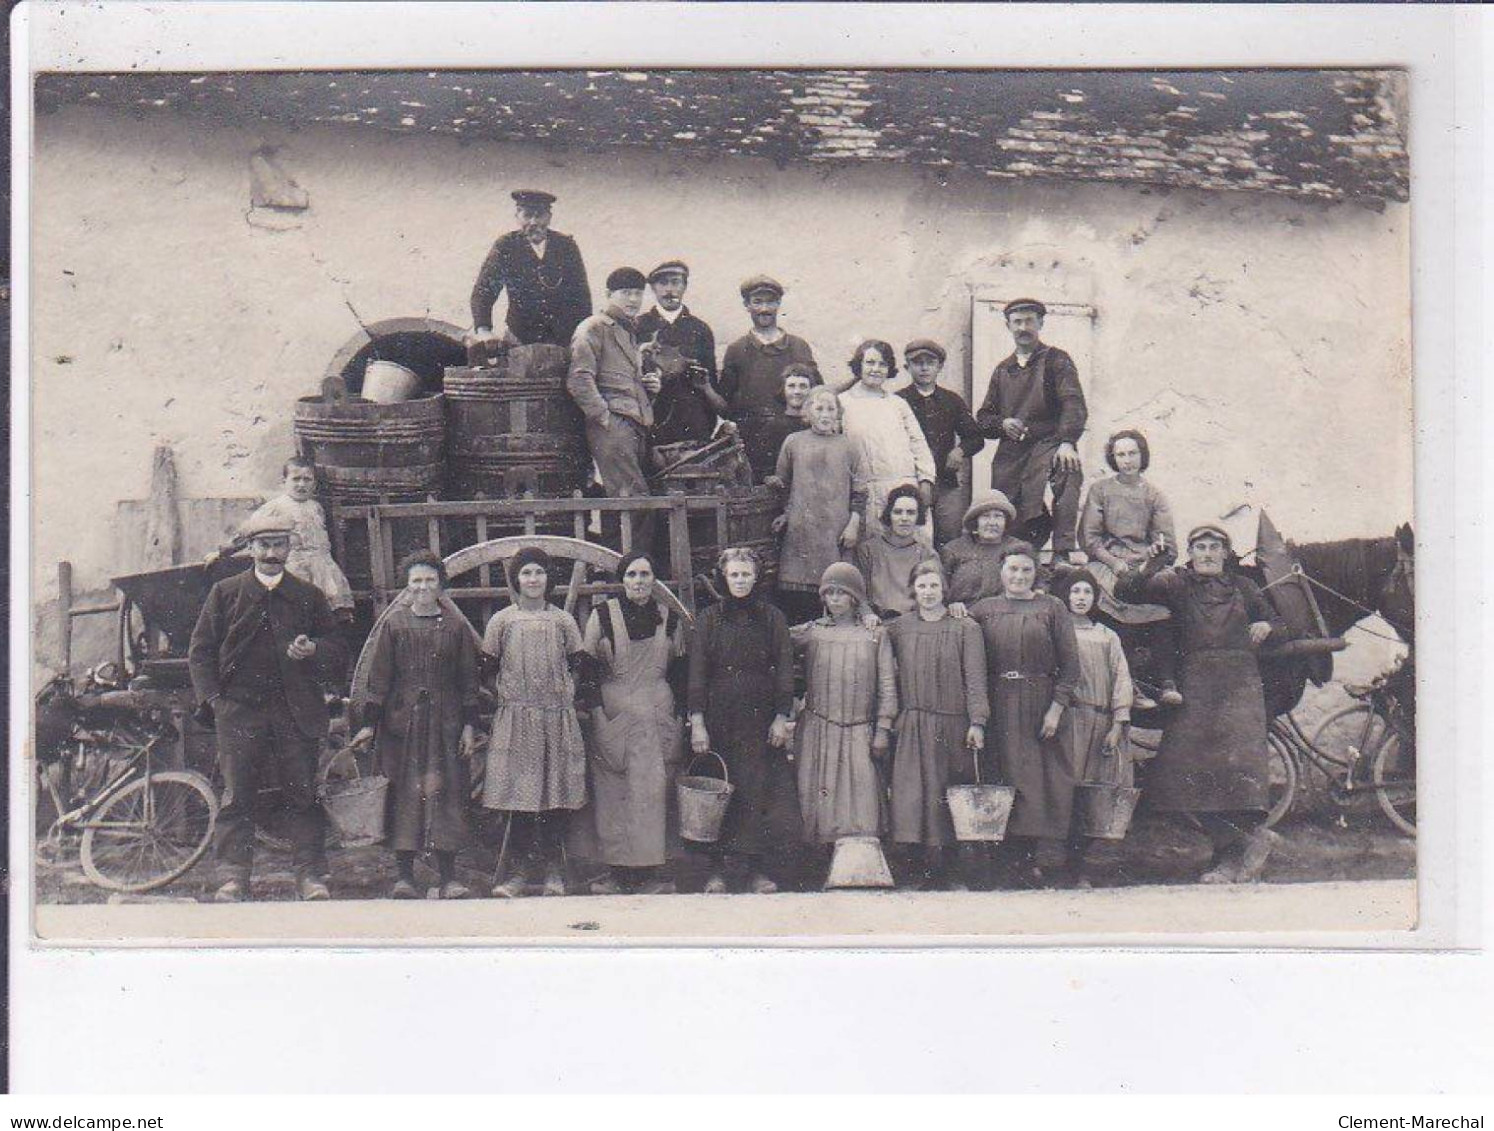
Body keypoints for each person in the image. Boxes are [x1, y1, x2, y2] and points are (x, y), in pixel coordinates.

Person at [187, 513, 347, 902]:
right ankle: (232, 877)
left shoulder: (308, 596)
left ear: (290, 548)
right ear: (251, 549)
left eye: (279, 545)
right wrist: (215, 700)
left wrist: (314, 651)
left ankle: (310, 876)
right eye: (264, 545)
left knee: (303, 794)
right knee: (238, 794)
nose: (272, 553)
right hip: (239, 711)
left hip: (295, 711)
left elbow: (337, 649)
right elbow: (200, 650)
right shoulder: (226, 593)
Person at [1116, 525, 1288, 884]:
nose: (1208, 554)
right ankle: (1246, 844)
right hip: (1195, 682)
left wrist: (1267, 626)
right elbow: (1128, 591)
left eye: (1215, 547)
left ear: (1226, 553)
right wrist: (1149, 564)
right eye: (1200, 547)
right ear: (1191, 553)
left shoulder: (1245, 587)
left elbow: (1279, 622)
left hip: (1239, 685)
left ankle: (1228, 858)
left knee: (1234, 778)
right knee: (1175, 777)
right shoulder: (1176, 584)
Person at [353, 551, 482, 900]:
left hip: (447, 723)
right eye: (416, 581)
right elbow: (378, 681)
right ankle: (405, 877)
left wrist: (470, 726)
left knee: (449, 794)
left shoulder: (455, 628)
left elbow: (469, 681)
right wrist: (368, 726)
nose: (423, 587)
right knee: (404, 794)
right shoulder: (393, 625)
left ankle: (448, 878)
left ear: (441, 585)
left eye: (429, 580)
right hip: (403, 724)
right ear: (406, 587)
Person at [571, 550, 688, 897]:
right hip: (615, 716)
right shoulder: (601, 616)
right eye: (632, 575)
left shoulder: (670, 618)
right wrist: (595, 715)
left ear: (654, 580)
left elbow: (680, 672)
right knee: (613, 793)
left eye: (645, 574)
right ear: (622, 580)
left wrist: (680, 716)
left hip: (657, 715)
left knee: (654, 793)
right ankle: (616, 873)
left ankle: (652, 874)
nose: (639, 581)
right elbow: (588, 671)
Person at [968, 541, 1081, 886]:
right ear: (1001, 572)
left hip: (1039, 702)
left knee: (1038, 782)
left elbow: (1071, 667)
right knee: (1001, 776)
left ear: (1036, 573)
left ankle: (1031, 862)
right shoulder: (982, 609)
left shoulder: (1052, 607)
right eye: (1012, 569)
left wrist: (1056, 708)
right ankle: (1002, 863)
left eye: (1026, 570)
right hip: (998, 701)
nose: (1019, 576)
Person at [687, 547, 799, 894]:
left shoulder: (772, 618)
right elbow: (696, 672)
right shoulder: (708, 619)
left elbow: (784, 670)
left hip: (758, 715)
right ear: (724, 577)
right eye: (734, 574)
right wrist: (698, 720)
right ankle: (717, 872)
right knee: (721, 789)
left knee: (758, 790)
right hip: (719, 714)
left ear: (756, 577)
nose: (739, 580)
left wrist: (781, 716)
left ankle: (755, 871)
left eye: (745, 574)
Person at [481, 547, 589, 898]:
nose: (532, 579)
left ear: (548, 578)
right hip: (518, 720)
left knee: (554, 798)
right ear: (516, 579)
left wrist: (566, 696)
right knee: (521, 799)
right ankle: (519, 873)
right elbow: (485, 671)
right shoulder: (502, 621)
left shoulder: (562, 621)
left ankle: (554, 873)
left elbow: (580, 666)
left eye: (538, 573)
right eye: (526, 573)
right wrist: (507, 700)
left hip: (555, 719)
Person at [887, 560, 990, 891]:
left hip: (952, 722)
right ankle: (917, 869)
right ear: (913, 591)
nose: (928, 593)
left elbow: (976, 679)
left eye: (933, 586)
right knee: (913, 795)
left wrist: (977, 722)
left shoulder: (965, 627)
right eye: (921, 587)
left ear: (944, 589)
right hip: (913, 722)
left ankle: (950, 870)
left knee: (948, 795)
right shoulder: (900, 627)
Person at [790, 563, 897, 877]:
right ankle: (816, 868)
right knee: (818, 800)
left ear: (855, 598)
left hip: (859, 729)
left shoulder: (875, 635)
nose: (835, 599)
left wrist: (883, 728)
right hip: (819, 729)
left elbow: (887, 686)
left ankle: (860, 865)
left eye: (842, 593)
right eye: (830, 593)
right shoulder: (813, 632)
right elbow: (775, 642)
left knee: (861, 800)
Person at [974, 299, 1087, 561]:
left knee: (1068, 469)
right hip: (1014, 448)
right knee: (1006, 499)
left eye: (1029, 321)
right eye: (1017, 322)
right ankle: (1017, 554)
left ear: (1040, 323)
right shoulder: (1003, 369)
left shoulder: (1056, 360)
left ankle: (1062, 552)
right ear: (1008, 326)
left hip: (1050, 439)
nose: (1023, 327)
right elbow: (984, 417)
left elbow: (1074, 402)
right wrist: (1002, 423)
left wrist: (1068, 441)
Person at [1079, 429, 1181, 709]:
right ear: (1113, 458)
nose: (1127, 460)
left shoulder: (1153, 495)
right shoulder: (1100, 490)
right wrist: (1115, 563)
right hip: (1108, 561)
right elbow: (1090, 538)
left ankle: (1168, 681)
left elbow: (1167, 543)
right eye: (1120, 454)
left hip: (1144, 563)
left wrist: (1151, 556)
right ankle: (1129, 686)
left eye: (1132, 453)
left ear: (1142, 455)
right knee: (1113, 599)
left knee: (1164, 595)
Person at [566, 267, 662, 553]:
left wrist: (648, 388)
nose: (633, 299)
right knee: (635, 501)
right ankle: (632, 573)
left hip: (634, 425)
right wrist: (605, 418)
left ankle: (615, 574)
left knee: (621, 503)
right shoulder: (594, 327)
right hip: (614, 427)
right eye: (626, 293)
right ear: (609, 295)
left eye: (637, 293)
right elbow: (579, 378)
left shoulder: (627, 331)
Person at [1052, 569, 1135, 890]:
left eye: (1087, 592)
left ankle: (1083, 867)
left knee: (1095, 795)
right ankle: (1062, 868)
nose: (1081, 598)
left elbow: (1121, 678)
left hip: (1100, 722)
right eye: (1075, 592)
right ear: (1066, 596)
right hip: (1069, 721)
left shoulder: (1107, 635)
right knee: (1067, 793)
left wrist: (1117, 723)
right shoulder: (1058, 633)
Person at [210, 457, 355, 624]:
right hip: (296, 566)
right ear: (284, 482)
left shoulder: (317, 507)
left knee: (329, 614)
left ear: (314, 484)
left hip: (323, 567)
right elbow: (250, 529)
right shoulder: (276, 506)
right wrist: (222, 551)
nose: (301, 484)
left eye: (307, 479)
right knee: (296, 612)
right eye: (296, 479)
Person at [769, 386, 865, 624]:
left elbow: (860, 491)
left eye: (830, 408)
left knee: (835, 588)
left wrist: (853, 524)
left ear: (838, 414)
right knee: (797, 601)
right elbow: (783, 483)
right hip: (800, 532)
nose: (825, 414)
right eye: (818, 408)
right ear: (807, 412)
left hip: (836, 531)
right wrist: (786, 511)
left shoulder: (850, 445)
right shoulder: (793, 442)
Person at [719, 276, 818, 482]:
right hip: (754, 443)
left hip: (797, 438)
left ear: (778, 304)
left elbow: (818, 393)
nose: (764, 308)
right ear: (747, 305)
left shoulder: (799, 347)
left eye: (770, 302)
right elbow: (725, 403)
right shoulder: (737, 350)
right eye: (757, 302)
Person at [838, 339, 937, 543]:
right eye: (870, 363)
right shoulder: (843, 403)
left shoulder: (897, 404)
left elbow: (919, 445)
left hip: (905, 490)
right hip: (867, 493)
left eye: (882, 364)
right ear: (859, 365)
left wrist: (926, 481)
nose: (876, 369)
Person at [469, 189, 592, 347]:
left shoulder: (566, 246)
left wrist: (582, 336)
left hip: (562, 340)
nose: (533, 222)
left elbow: (581, 296)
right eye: (527, 215)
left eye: (539, 215)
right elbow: (483, 291)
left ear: (549, 217)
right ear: (517, 217)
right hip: (519, 338)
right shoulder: (506, 246)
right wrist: (484, 329)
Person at [896, 339, 985, 548]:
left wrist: (960, 450)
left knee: (950, 537)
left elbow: (976, 437)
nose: (925, 368)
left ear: (940, 367)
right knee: (913, 538)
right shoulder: (898, 401)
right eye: (918, 363)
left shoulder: (951, 400)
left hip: (946, 483)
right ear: (907, 367)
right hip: (910, 482)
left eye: (930, 362)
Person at [638, 260, 728, 450]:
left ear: (685, 286)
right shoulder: (639, 327)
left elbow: (710, 382)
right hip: (652, 421)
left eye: (675, 282)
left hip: (694, 423)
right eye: (662, 283)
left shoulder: (700, 330)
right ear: (653, 288)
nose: (669, 290)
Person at [855, 485, 938, 620]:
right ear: (889, 514)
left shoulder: (927, 554)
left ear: (918, 517)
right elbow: (858, 593)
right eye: (898, 512)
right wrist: (867, 614)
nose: (904, 518)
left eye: (910, 513)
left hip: (913, 622)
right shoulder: (868, 550)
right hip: (876, 622)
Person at [940, 492, 1028, 607]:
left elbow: (1039, 583)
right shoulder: (954, 549)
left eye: (998, 516)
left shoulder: (1019, 549)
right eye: (986, 516)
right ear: (976, 521)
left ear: (1006, 521)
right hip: (964, 616)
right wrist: (952, 605)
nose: (992, 523)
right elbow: (940, 587)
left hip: (1006, 615)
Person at [747, 363, 815, 484]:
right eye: (791, 386)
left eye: (803, 386)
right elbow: (761, 468)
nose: (797, 391)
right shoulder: (773, 427)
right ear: (783, 390)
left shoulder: (817, 426)